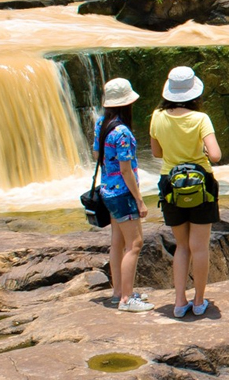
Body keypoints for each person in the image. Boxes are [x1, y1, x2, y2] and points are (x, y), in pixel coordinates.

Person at [150, 66, 222, 318]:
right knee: (199, 246)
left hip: (170, 184)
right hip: (201, 184)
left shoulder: (157, 117)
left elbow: (157, 153)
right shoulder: (201, 119)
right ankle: (199, 300)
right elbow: (215, 155)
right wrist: (200, 152)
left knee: (181, 245)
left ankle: (179, 302)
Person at [92, 78, 153, 313]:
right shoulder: (123, 132)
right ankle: (127, 298)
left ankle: (118, 292)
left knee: (117, 243)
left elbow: (98, 154)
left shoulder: (102, 124)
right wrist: (139, 199)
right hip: (123, 194)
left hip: (107, 190)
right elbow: (126, 170)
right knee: (135, 244)